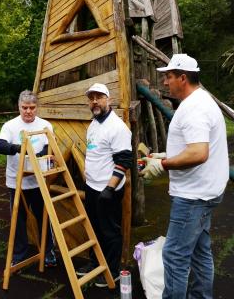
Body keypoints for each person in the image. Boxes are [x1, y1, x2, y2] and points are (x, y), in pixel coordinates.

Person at [140, 54, 229, 299]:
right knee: (200, 253)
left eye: (168, 77)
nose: (165, 82)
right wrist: (162, 155)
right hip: (206, 191)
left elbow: (199, 152)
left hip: (193, 197)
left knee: (174, 255)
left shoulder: (194, 108)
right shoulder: (201, 100)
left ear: (183, 77)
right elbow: (195, 145)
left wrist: (164, 165)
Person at [77, 83, 132, 288]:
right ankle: (95, 263)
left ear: (108, 99)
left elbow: (124, 161)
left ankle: (112, 271)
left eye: (99, 97)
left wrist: (109, 189)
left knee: (110, 231)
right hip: (92, 186)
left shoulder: (117, 127)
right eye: (91, 98)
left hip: (108, 190)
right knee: (94, 227)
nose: (94, 101)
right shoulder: (94, 123)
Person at [0, 90, 56, 267]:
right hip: (17, 182)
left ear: (37, 107)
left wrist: (40, 154)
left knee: (43, 217)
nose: (28, 111)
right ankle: (20, 254)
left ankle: (48, 251)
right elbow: (0, 145)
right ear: (19, 107)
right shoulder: (10, 126)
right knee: (18, 220)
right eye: (24, 108)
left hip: (38, 181)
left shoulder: (45, 125)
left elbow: (49, 147)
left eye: (32, 107)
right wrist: (19, 148)